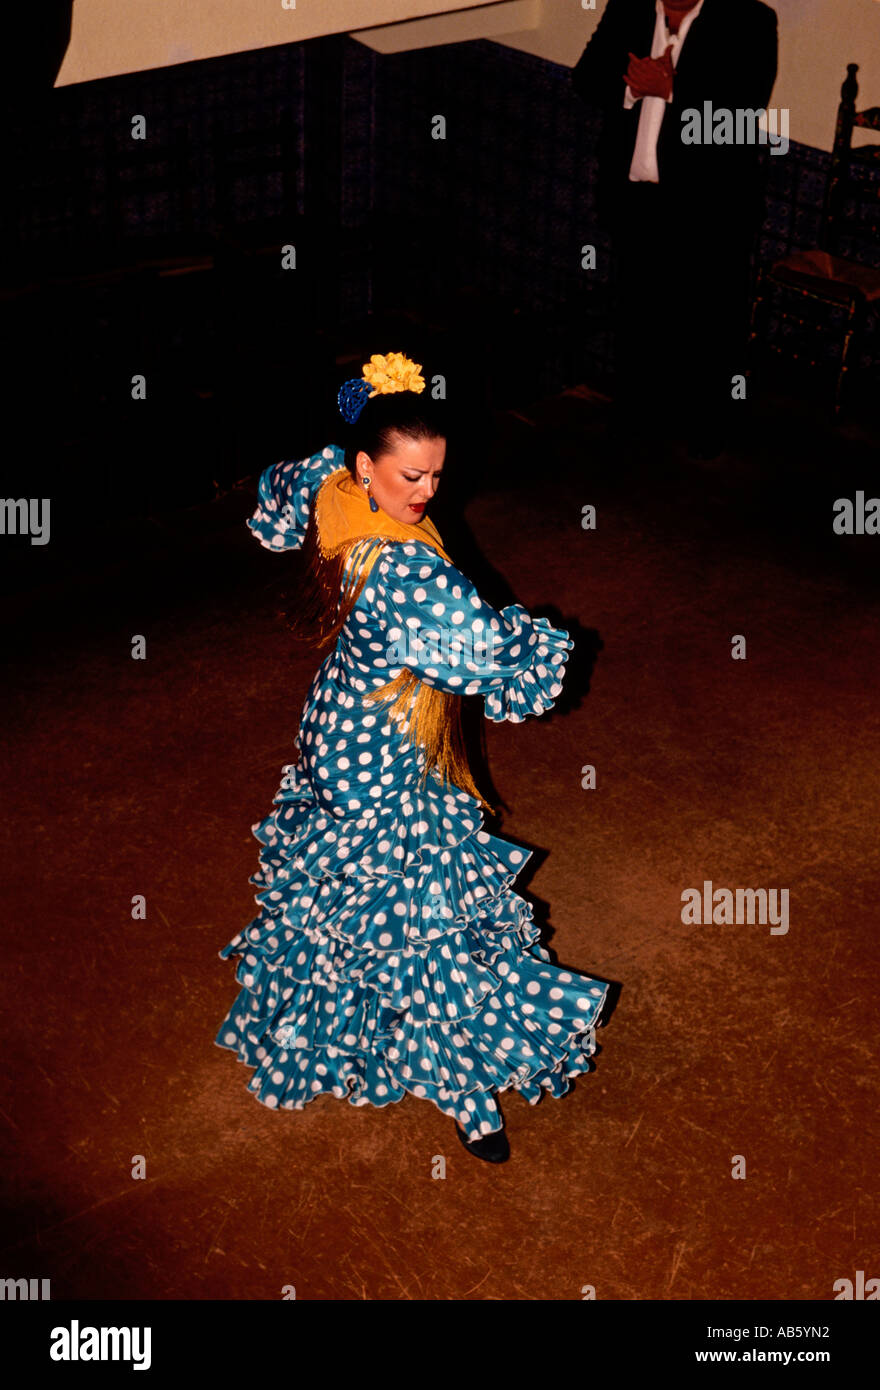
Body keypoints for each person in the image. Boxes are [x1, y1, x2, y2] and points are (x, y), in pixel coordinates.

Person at [215, 351, 610, 1163]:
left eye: (435, 475)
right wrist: (546, 644)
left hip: (338, 721)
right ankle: (468, 1093)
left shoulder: (335, 489)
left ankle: (332, 1024)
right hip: (381, 753)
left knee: (352, 896)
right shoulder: (399, 573)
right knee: (423, 913)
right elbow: (488, 657)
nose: (427, 494)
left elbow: (282, 491)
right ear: (370, 467)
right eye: (410, 478)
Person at [572, 0, 778, 457]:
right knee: (638, 317)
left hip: (710, 211)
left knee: (707, 325)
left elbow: (743, 114)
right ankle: (635, 428)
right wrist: (633, 88)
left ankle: (708, 438)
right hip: (637, 202)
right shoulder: (628, 9)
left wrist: (672, 90)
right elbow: (585, 79)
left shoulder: (750, 21)